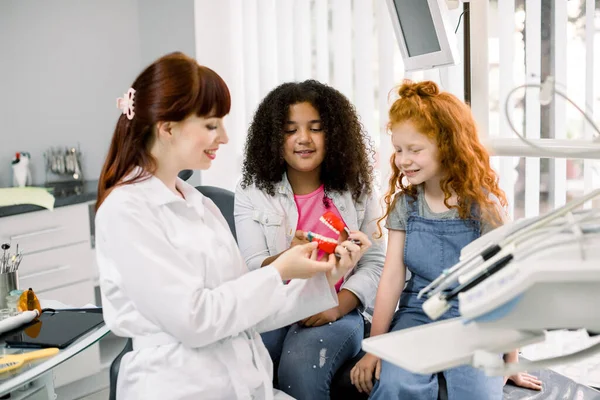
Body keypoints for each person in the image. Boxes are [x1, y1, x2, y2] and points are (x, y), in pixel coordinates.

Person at [95, 52, 372, 400]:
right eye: (212, 125)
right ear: (167, 128)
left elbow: (248, 310)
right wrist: (280, 269)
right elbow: (195, 320)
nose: (224, 137)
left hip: (238, 382)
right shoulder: (126, 211)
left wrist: (324, 275)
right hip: (178, 385)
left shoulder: (200, 205)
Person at [349, 80, 543, 399]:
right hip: (417, 313)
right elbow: (391, 280)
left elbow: (507, 281)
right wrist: (375, 349)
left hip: (476, 319)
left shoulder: (483, 206)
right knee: (396, 385)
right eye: (399, 149)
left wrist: (511, 362)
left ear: (448, 146)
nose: (403, 160)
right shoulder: (404, 205)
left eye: (415, 149)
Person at [234, 80, 385, 399]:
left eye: (315, 128)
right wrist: (287, 261)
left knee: (300, 367)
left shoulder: (357, 188)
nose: (303, 139)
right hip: (274, 307)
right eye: (290, 130)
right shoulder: (251, 193)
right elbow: (254, 266)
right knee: (247, 362)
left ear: (333, 134)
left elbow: (375, 261)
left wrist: (338, 306)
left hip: (337, 310)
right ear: (274, 138)